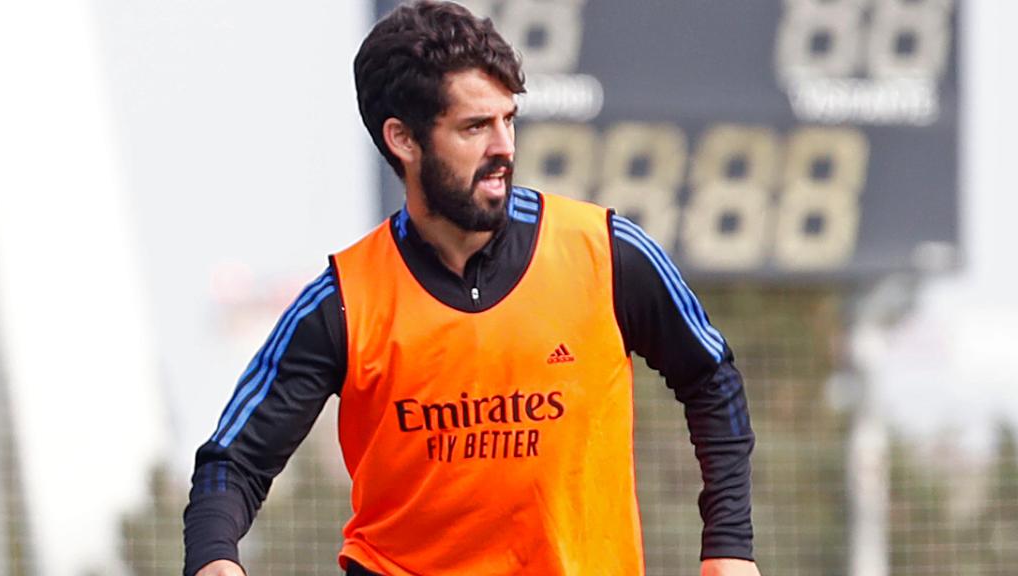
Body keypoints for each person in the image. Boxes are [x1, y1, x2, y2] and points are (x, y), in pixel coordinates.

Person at [183, 2, 760, 575]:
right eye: (475, 127)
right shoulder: (344, 301)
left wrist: (730, 548)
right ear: (403, 140)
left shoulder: (607, 253)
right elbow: (230, 463)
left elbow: (711, 378)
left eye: (508, 119)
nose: (504, 146)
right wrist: (214, 563)